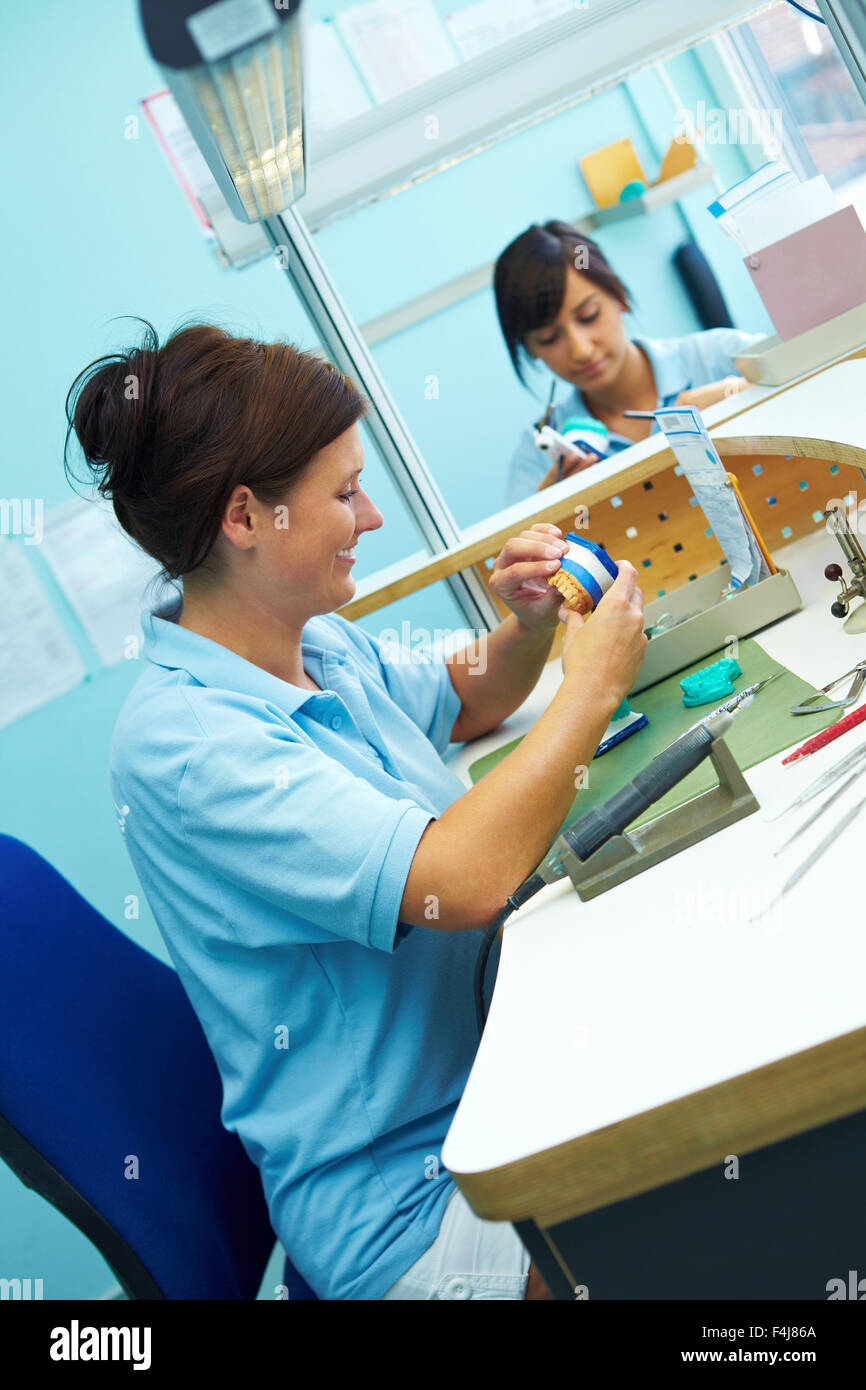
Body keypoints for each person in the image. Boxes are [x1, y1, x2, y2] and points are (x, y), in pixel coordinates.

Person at [64, 319, 647, 1300]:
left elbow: (464, 694)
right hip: (414, 1206)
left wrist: (527, 629)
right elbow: (454, 884)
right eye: (343, 493)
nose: (371, 517)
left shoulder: (311, 641)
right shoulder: (183, 744)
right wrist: (587, 693)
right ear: (247, 518)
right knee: (744, 1179)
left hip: (504, 1068)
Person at [494, 221, 767, 507]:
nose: (582, 350)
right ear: (530, 349)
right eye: (549, 338)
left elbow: (814, 372)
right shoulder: (537, 454)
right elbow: (520, 544)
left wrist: (741, 393)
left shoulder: (718, 356)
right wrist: (554, 514)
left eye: (589, 315)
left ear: (619, 296)